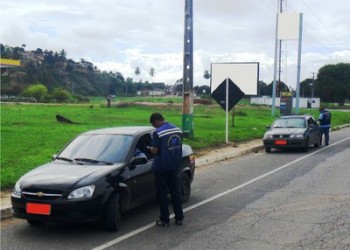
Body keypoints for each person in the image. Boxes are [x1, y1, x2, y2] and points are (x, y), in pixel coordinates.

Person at [148, 113, 184, 227]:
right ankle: (179, 218)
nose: (155, 127)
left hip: (161, 168)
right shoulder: (178, 130)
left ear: (156, 121)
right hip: (175, 166)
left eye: (154, 125)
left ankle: (165, 220)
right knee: (175, 192)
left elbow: (155, 151)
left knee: (162, 194)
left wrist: (147, 148)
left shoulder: (158, 133)